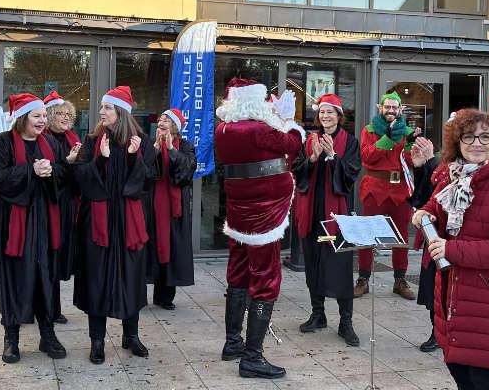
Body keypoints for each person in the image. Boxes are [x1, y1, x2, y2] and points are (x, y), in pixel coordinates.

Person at [412, 109, 489, 390]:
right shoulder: (451, 174)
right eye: (469, 137)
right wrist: (426, 213)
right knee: (460, 373)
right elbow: (435, 203)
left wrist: (451, 250)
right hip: (454, 297)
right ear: (458, 141)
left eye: (485, 137)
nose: (476, 144)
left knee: (485, 381)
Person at [214, 78, 304, 379]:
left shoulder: (223, 129)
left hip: (239, 211)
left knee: (238, 274)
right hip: (265, 214)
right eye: (264, 101)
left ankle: (232, 343)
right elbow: (293, 143)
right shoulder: (259, 129)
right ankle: (252, 357)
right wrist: (287, 119)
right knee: (265, 278)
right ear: (255, 102)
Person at [73, 86, 155, 364]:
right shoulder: (93, 140)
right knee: (96, 279)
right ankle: (97, 340)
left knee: (131, 278)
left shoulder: (142, 142)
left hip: (129, 223)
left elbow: (149, 181)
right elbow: (80, 178)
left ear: (121, 113)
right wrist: (101, 159)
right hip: (97, 223)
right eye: (101, 107)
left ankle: (131, 336)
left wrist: (134, 157)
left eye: (107, 107)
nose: (101, 112)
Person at [0, 93, 67, 364]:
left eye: (45, 116)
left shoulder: (52, 143)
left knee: (45, 277)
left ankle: (48, 333)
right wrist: (31, 171)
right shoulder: (2, 143)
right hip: (11, 223)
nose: (43, 121)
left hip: (44, 221)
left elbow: (64, 175)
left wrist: (52, 170)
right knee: (13, 279)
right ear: (22, 118)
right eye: (37, 116)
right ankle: (11, 338)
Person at [293, 94, 362, 346]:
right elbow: (297, 170)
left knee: (341, 268)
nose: (326, 117)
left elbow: (351, 175)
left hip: (337, 216)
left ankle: (346, 322)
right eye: (322, 113)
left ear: (339, 116)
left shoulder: (350, 142)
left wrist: (333, 156)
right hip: (311, 213)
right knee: (313, 264)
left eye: (331, 113)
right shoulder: (309, 140)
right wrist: (312, 158)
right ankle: (318, 314)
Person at [356, 91, 419, 299]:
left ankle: (399, 280)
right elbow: (367, 156)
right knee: (367, 235)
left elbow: (412, 162)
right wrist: (388, 139)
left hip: (400, 190)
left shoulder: (408, 131)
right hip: (375, 187)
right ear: (379, 108)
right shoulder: (370, 130)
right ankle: (363, 279)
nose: (391, 110)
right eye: (387, 106)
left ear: (400, 110)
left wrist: (410, 144)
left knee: (401, 236)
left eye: (394, 107)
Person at [148, 108, 197, 310]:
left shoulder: (185, 146)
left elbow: (187, 172)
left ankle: (165, 297)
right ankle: (141, 294)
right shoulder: (150, 145)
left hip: (174, 209)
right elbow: (143, 171)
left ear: (175, 126)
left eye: (166, 120)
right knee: (150, 248)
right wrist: (156, 152)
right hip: (152, 206)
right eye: (160, 119)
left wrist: (173, 152)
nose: (161, 122)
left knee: (172, 248)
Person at [44, 90, 81, 324]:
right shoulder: (43, 138)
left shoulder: (72, 138)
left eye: (69, 114)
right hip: (49, 205)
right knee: (48, 258)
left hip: (68, 205)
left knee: (59, 258)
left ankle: (54, 309)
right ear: (49, 115)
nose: (66, 117)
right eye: (61, 113)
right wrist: (67, 164)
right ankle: (48, 310)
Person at [408, 133, 440, 353]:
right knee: (432, 287)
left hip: (457, 238)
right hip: (436, 234)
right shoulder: (443, 162)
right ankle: (437, 332)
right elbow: (426, 196)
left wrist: (431, 162)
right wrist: (420, 167)